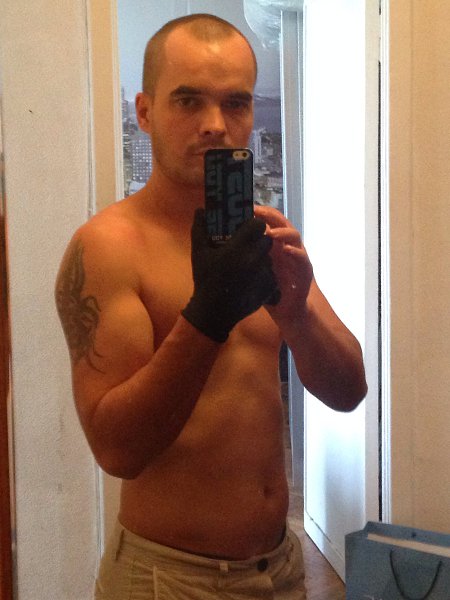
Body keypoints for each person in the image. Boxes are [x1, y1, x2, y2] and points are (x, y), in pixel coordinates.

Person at [55, 13, 367, 599]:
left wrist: (296, 313)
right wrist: (209, 316)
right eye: (188, 100)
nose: (216, 124)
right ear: (145, 111)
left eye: (236, 103)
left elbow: (350, 391)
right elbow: (117, 449)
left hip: (280, 569)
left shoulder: (262, 235)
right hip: (169, 580)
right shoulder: (108, 248)